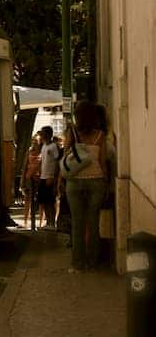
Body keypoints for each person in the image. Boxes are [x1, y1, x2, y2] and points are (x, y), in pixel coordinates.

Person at [65, 100, 109, 273]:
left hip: (74, 182)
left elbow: (66, 159)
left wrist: (61, 181)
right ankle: (93, 262)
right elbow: (103, 162)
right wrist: (106, 183)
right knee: (93, 223)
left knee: (77, 224)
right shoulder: (100, 135)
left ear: (77, 116)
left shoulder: (73, 133)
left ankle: (77, 264)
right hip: (96, 181)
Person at [37, 125, 58, 230]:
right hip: (43, 176)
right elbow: (42, 161)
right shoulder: (44, 146)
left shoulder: (53, 146)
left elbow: (56, 162)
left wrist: (53, 176)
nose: (41, 135)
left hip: (50, 176)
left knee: (50, 201)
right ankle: (48, 221)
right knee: (44, 201)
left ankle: (52, 222)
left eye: (43, 133)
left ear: (48, 134)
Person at [21, 133, 42, 228]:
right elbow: (25, 166)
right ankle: (26, 221)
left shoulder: (43, 151)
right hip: (29, 178)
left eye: (36, 141)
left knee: (41, 200)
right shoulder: (29, 151)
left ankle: (41, 222)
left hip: (39, 178)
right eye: (33, 140)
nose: (34, 142)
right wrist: (22, 180)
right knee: (27, 200)